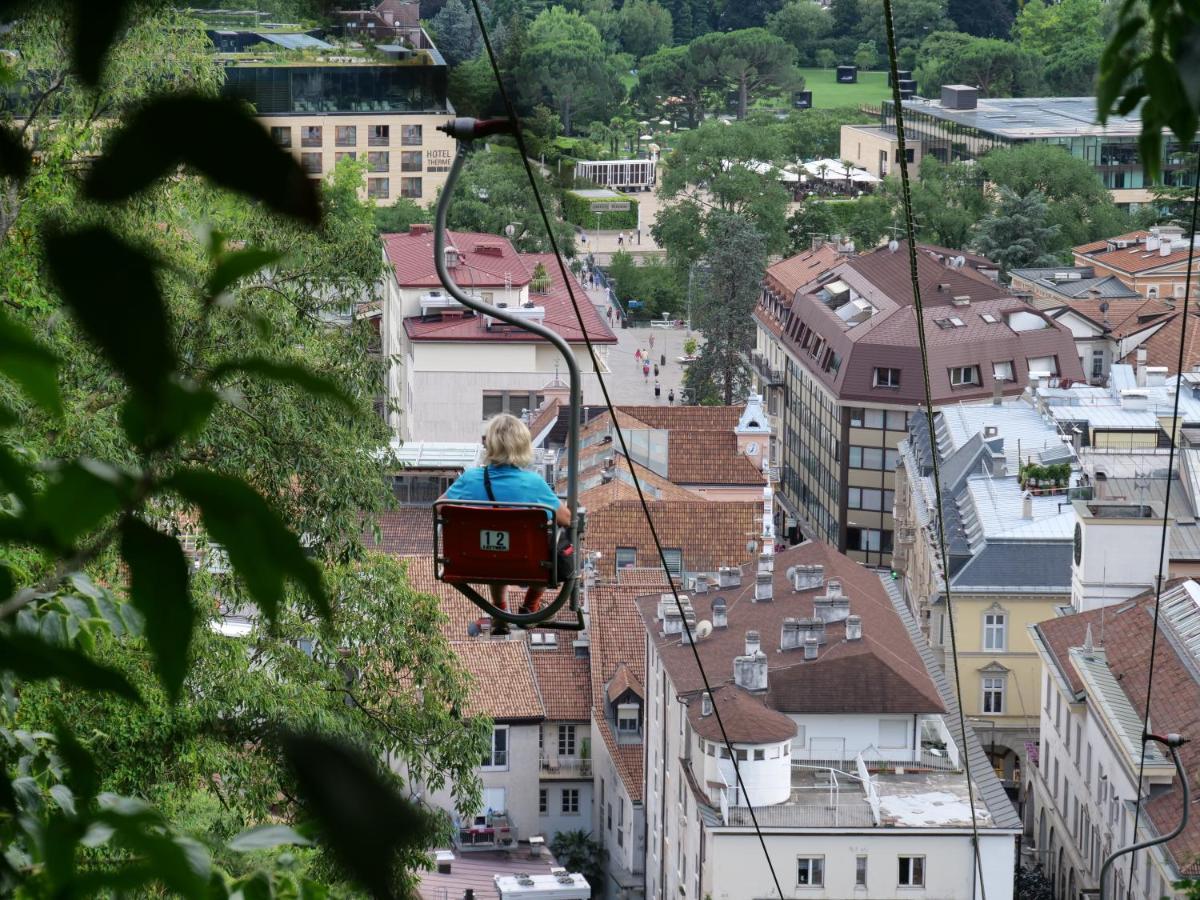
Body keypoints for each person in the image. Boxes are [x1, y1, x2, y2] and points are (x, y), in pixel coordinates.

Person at [444, 414, 571, 635]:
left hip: (478, 560)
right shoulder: (533, 483)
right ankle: (530, 605)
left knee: (495, 545)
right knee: (554, 541)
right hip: (528, 565)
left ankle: (498, 612)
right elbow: (566, 519)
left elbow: (440, 507)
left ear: (489, 444)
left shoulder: (470, 479)